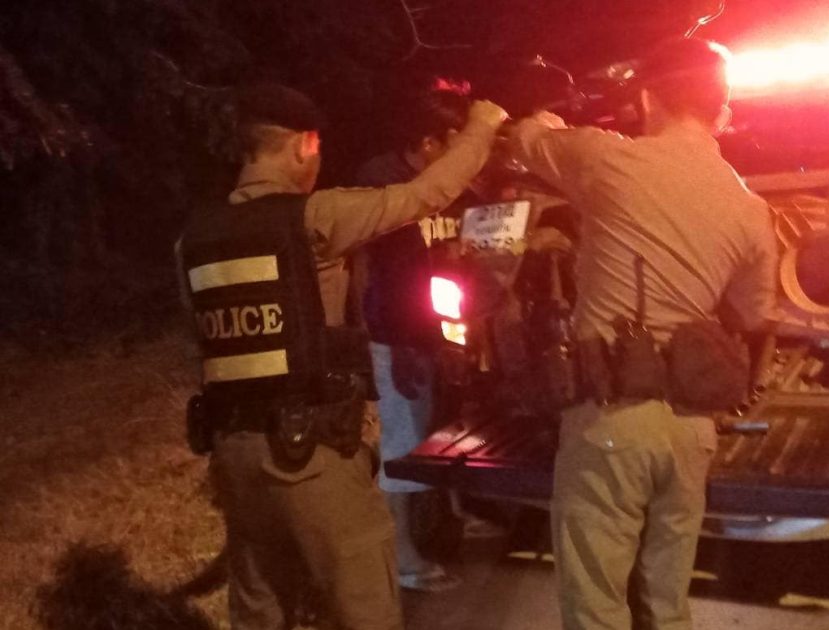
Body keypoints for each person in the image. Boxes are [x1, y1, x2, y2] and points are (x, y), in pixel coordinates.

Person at [177, 83, 506, 630]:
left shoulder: (194, 238)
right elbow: (425, 195)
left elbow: (203, 338)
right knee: (365, 605)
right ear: (303, 146)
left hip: (232, 458)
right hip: (309, 453)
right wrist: (482, 128)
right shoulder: (316, 217)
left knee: (259, 610)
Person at [509, 39, 778, 630]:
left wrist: (545, 119)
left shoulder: (608, 160)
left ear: (650, 99)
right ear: (722, 111)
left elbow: (526, 140)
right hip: (691, 430)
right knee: (667, 605)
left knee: (596, 606)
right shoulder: (749, 207)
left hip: (612, 423)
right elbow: (755, 312)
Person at [353, 83, 499, 594]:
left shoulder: (451, 189)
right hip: (397, 338)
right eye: (458, 142)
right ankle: (402, 560)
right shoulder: (384, 184)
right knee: (402, 445)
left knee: (441, 432)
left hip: (436, 336)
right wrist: (394, 346)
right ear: (430, 142)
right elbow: (379, 278)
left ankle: (453, 517)